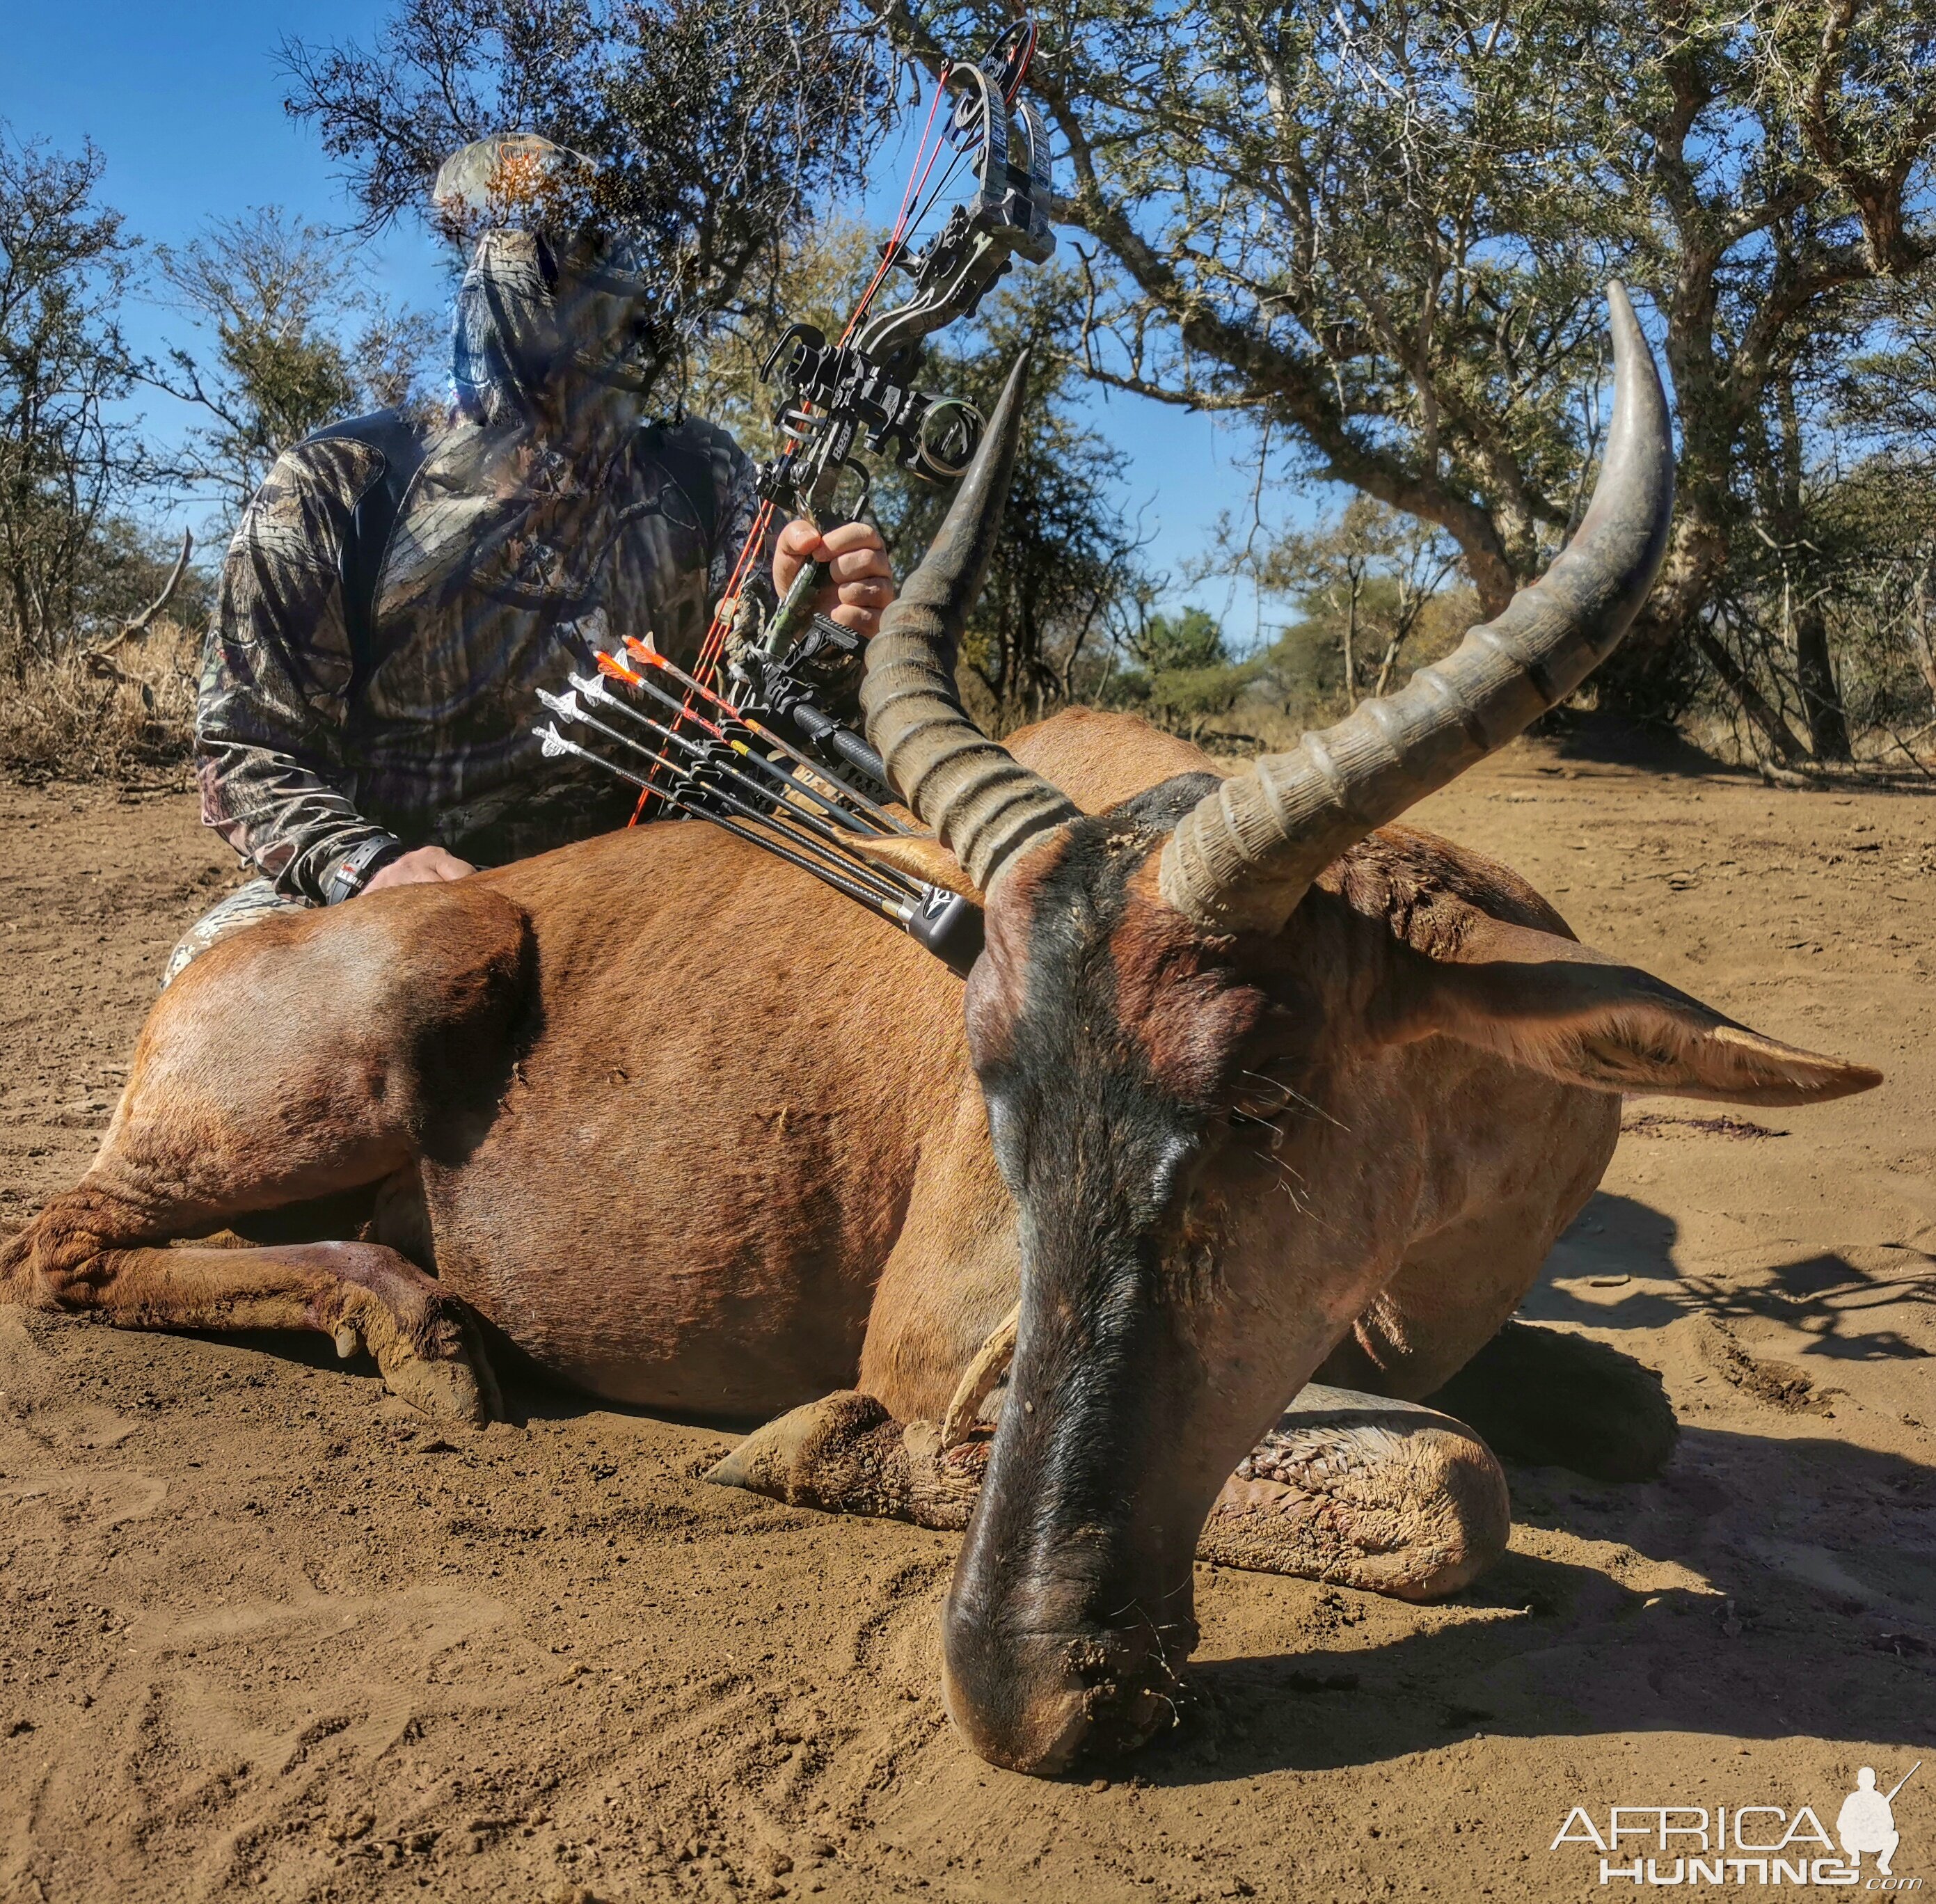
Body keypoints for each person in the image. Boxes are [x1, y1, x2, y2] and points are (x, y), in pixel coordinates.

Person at [166, 133, 896, 985]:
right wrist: (366, 865)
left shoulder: (704, 473)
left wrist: (825, 630)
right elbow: (245, 748)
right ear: (485, 276)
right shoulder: (338, 485)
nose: (599, 289)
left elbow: (762, 726)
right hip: (413, 908)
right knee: (220, 972)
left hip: (661, 890)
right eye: (559, 257)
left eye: (606, 256)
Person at [1836, 1766, 1903, 1875]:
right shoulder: (1852, 1799)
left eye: (1869, 1780)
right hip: (1856, 1840)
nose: (1866, 1782)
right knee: (1844, 1835)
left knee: (1894, 1836)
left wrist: (1876, 1825)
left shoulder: (1880, 1799)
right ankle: (1855, 1855)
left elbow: (1890, 1824)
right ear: (1859, 1781)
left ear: (1874, 1782)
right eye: (1864, 1780)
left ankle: (1883, 1863)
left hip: (1875, 1840)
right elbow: (1841, 1824)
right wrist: (1857, 1824)